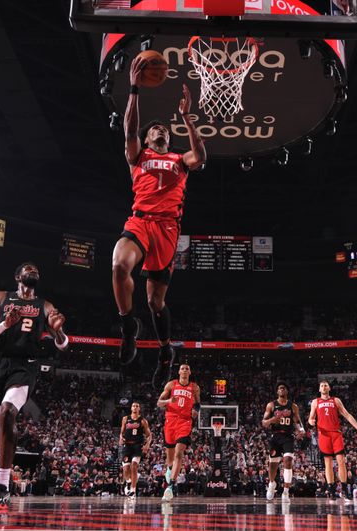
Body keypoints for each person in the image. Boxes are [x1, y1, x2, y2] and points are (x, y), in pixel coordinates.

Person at [112, 56, 206, 390]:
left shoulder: (180, 160)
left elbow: (201, 156)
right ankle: (128, 329)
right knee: (120, 265)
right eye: (155, 129)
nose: (160, 131)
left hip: (167, 228)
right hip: (140, 222)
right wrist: (134, 89)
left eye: (164, 129)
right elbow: (128, 129)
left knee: (155, 301)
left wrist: (187, 120)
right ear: (147, 138)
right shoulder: (138, 156)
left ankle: (166, 351)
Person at [0, 262, 68, 510]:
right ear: (18, 276)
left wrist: (58, 333)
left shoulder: (45, 305)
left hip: (25, 366)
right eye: (28, 268)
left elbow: (62, 344)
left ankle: (2, 486)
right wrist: (6, 325)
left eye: (37, 269)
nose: (34, 270)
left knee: (9, 411)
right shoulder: (1, 297)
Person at [308, 380, 357, 503]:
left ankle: (345, 490)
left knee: (341, 462)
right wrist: (311, 422)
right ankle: (332, 490)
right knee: (328, 463)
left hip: (336, 434)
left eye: (326, 385)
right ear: (319, 389)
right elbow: (310, 418)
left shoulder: (336, 400)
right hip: (323, 435)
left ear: (329, 388)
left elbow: (347, 414)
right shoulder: (315, 402)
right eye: (322, 386)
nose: (324, 387)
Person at [157, 363, 201, 501]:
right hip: (170, 421)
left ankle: (170, 486)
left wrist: (196, 411)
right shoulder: (171, 385)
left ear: (190, 372)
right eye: (182, 368)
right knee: (170, 459)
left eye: (187, 368)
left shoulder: (194, 387)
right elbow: (159, 402)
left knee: (179, 452)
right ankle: (170, 471)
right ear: (178, 371)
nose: (184, 370)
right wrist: (170, 400)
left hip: (185, 422)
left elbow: (198, 403)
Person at [261, 381, 305, 501]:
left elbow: (297, 422)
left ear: (287, 391)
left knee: (288, 461)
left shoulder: (293, 406)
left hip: (288, 437)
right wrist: (272, 420)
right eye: (279, 388)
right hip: (275, 436)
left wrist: (301, 430)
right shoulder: (271, 405)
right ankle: (271, 484)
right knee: (273, 465)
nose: (281, 389)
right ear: (277, 391)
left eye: (284, 388)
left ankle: (285, 492)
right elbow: (264, 423)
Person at [119, 401, 152, 498]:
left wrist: (147, 445)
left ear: (139, 409)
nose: (135, 407)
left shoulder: (143, 421)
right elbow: (122, 433)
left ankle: (133, 490)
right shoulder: (125, 419)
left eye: (137, 406)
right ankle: (128, 483)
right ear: (131, 408)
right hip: (127, 446)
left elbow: (149, 435)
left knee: (134, 466)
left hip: (137, 446)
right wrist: (121, 438)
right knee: (126, 469)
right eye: (133, 406)